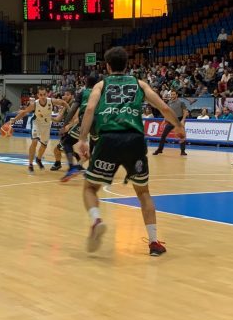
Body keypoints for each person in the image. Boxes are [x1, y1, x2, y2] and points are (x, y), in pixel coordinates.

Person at [75, 46, 186, 256]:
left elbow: (89, 110)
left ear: (107, 66)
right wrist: (178, 127)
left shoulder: (101, 84)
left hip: (108, 140)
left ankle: (96, 219)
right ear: (127, 65)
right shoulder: (139, 83)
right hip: (134, 140)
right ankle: (154, 243)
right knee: (143, 192)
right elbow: (163, 107)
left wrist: (82, 139)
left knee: (90, 188)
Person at [6, 86, 69, 174]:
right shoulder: (35, 104)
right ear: (38, 95)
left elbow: (62, 102)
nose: (42, 96)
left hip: (46, 125)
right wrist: (14, 120)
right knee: (34, 141)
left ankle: (38, 159)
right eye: (40, 95)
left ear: (46, 94)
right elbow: (24, 112)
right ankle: (30, 164)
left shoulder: (51, 101)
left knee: (44, 146)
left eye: (44, 94)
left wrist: (70, 111)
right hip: (37, 124)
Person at [56, 76, 99, 181]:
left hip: (84, 120)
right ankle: (88, 169)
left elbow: (73, 109)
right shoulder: (100, 92)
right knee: (94, 148)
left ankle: (72, 167)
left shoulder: (82, 93)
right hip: (98, 121)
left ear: (86, 82)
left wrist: (64, 125)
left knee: (67, 143)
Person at [152, 90, 188, 156]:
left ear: (177, 95)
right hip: (171, 121)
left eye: (174, 94)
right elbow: (167, 112)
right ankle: (160, 149)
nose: (172, 96)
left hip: (179, 121)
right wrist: (164, 120)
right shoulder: (169, 102)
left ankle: (183, 151)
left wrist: (183, 120)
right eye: (171, 94)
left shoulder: (181, 102)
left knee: (181, 136)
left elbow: (185, 112)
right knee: (163, 135)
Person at [50, 89, 76, 172]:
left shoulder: (75, 104)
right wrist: (47, 117)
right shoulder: (65, 106)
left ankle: (60, 164)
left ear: (72, 96)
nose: (65, 96)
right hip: (68, 132)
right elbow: (58, 119)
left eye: (67, 94)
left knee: (59, 149)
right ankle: (61, 164)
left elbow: (76, 119)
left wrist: (68, 127)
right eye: (64, 94)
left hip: (74, 131)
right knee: (63, 149)